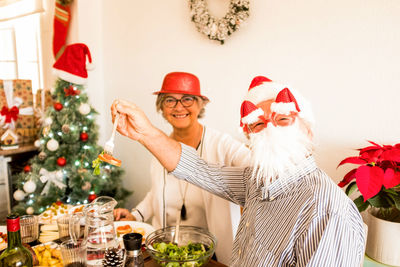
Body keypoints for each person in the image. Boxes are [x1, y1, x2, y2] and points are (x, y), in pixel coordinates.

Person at [111, 75, 366, 266]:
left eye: (282, 119)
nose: (269, 130)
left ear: (308, 130)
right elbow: (196, 168)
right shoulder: (256, 181)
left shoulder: (326, 210)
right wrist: (143, 133)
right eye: (257, 123)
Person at [113, 72, 250, 264]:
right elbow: (155, 192)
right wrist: (135, 214)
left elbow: (256, 169)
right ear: (161, 106)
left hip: (212, 256)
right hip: (166, 251)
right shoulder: (160, 145)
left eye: (187, 99)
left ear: (201, 104)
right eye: (170, 100)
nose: (179, 107)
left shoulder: (223, 144)